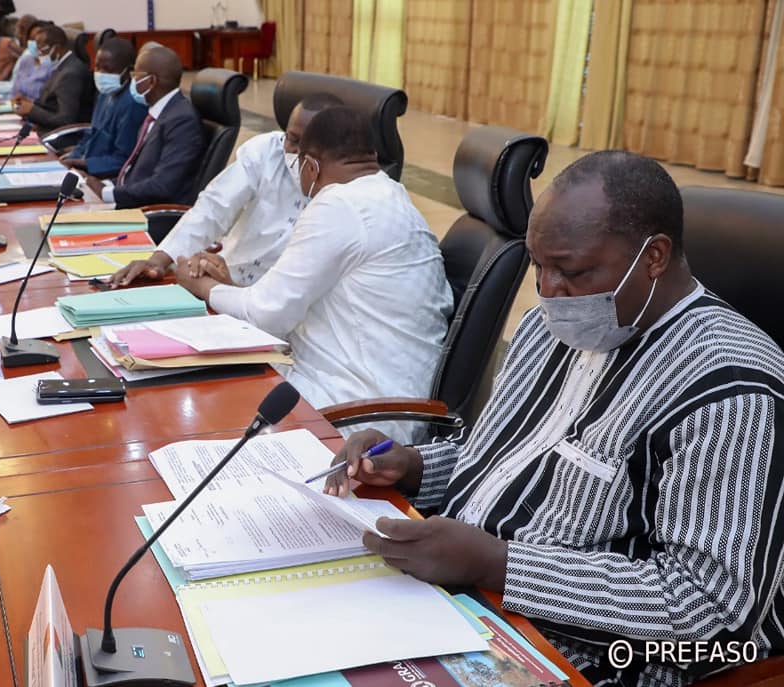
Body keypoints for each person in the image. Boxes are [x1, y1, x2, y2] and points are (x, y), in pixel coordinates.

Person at [324, 150, 784, 686]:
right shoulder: (549, 327)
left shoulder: (730, 389)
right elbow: (504, 460)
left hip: (584, 656)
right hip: (460, 602)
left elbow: (710, 609)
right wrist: (411, 467)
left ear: (654, 256)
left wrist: (499, 565)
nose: (549, 291)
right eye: (538, 267)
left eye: (572, 271)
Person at [176, 106, 453, 444]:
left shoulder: (339, 204)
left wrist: (201, 286)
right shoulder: (389, 194)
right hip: (380, 398)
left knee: (194, 398)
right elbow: (288, 303)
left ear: (310, 165)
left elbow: (266, 315)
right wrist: (231, 287)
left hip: (354, 411)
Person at [110, 93, 344, 288]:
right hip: (224, 278)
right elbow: (214, 207)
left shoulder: (347, 186)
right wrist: (159, 260)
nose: (297, 152)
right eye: (292, 139)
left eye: (309, 145)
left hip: (272, 303)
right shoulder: (265, 151)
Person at [88, 44, 204, 208]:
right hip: (130, 200)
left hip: (145, 212)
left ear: (151, 81)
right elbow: (136, 174)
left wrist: (106, 193)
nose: (132, 82)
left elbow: (162, 186)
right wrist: (103, 184)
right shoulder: (158, 112)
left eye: (135, 76)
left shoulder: (182, 120)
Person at [60, 37, 149, 179]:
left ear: (128, 71)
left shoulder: (132, 105)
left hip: (105, 176)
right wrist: (74, 156)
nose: (100, 73)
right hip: (84, 165)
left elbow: (124, 159)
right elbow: (91, 134)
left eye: (107, 69)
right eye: (97, 67)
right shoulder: (104, 93)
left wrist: (84, 164)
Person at [13, 23, 94, 134]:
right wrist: (28, 105)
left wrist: (32, 110)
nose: (39, 55)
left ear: (56, 48)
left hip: (63, 137)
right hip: (46, 130)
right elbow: (51, 105)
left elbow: (65, 120)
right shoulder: (62, 66)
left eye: (42, 50)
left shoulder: (70, 73)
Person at [9, 18, 51, 101]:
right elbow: (15, 89)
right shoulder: (27, 59)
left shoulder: (52, 65)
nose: (34, 43)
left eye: (38, 40)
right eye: (31, 39)